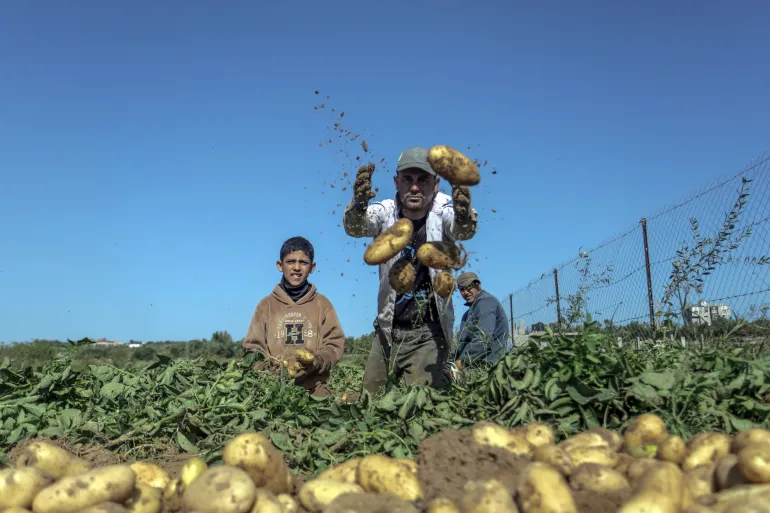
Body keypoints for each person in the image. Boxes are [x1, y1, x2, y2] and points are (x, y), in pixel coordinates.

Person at [343, 146, 478, 393]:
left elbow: (461, 230)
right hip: (387, 330)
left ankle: (448, 375)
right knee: (368, 402)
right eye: (408, 179)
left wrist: (463, 213)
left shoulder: (443, 208)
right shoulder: (386, 211)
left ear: (435, 184)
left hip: (428, 332)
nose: (414, 187)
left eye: (422, 180)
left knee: (419, 403)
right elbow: (357, 227)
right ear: (396, 182)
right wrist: (359, 205)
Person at [242, 236, 346, 397]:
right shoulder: (266, 305)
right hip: (274, 388)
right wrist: (274, 371)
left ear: (312, 267)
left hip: (315, 387)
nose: (297, 267)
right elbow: (253, 348)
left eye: (303, 262)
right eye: (290, 262)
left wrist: (317, 362)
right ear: (279, 265)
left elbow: (334, 344)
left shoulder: (322, 304)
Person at [451, 271, 510, 370]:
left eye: (469, 287)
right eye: (462, 289)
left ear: (478, 286)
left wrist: (462, 363)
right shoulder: (469, 313)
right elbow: (463, 345)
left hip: (489, 366)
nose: (465, 292)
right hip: (474, 365)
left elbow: (483, 338)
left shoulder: (485, 303)